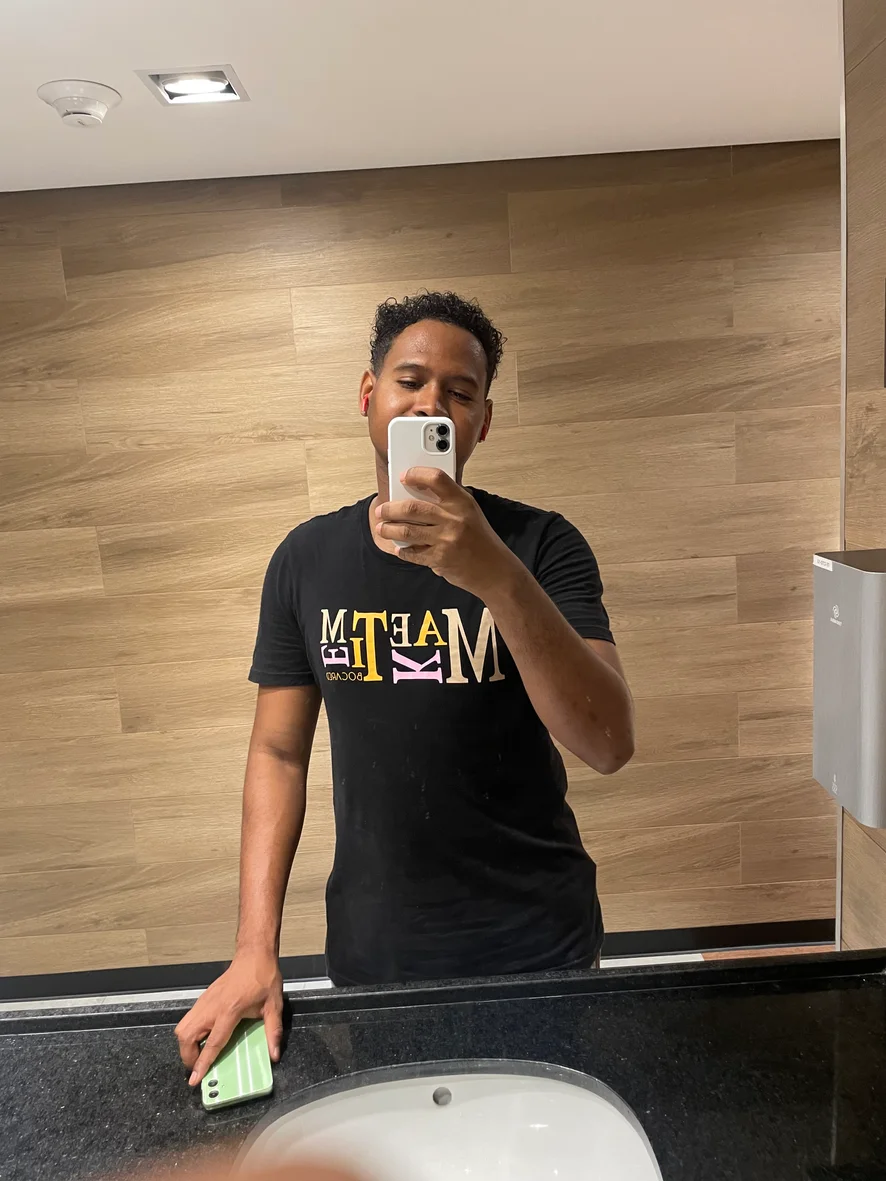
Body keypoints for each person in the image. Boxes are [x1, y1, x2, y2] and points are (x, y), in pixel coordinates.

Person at [176, 292, 635, 1087]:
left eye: (460, 392)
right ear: (369, 395)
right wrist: (255, 947)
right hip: (378, 949)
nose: (431, 405)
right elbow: (278, 753)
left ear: (482, 422)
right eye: (411, 380)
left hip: (536, 940)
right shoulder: (306, 560)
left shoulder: (541, 544)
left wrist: (495, 574)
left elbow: (608, 741)